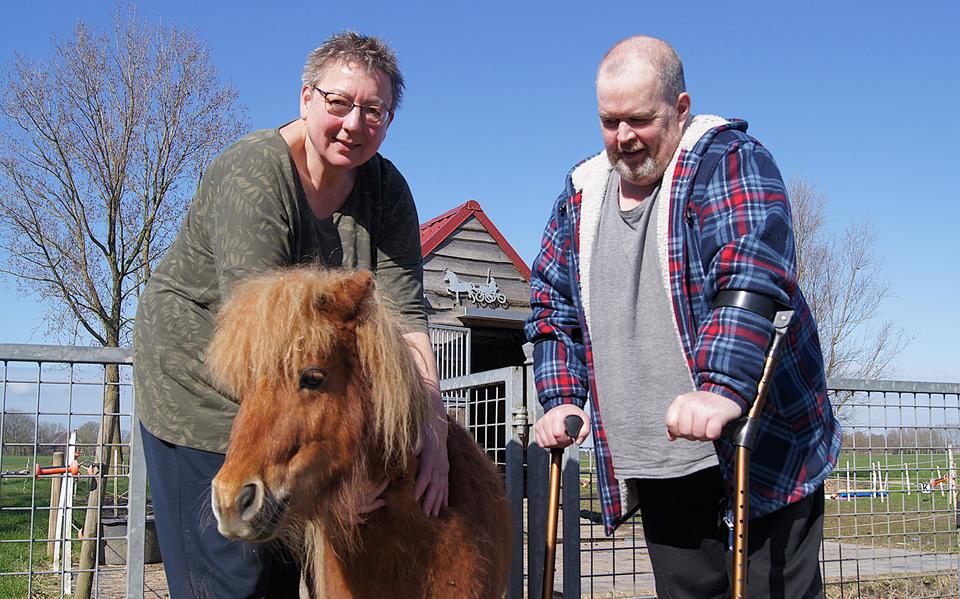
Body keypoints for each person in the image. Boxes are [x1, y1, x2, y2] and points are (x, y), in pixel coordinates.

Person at [133, 32, 449, 598]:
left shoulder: (388, 191)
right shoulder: (252, 175)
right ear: (306, 98)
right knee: (235, 575)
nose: (355, 123)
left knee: (285, 577)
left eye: (374, 110)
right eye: (338, 103)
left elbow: (407, 320)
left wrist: (435, 432)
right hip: (201, 386)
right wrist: (332, 490)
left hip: (291, 392)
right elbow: (262, 338)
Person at [526, 35, 841, 598]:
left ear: (680, 108)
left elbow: (750, 271)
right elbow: (552, 308)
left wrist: (720, 387)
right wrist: (562, 398)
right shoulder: (581, 194)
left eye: (640, 119)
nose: (623, 137)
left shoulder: (726, 161)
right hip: (660, 458)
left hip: (757, 448)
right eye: (609, 120)